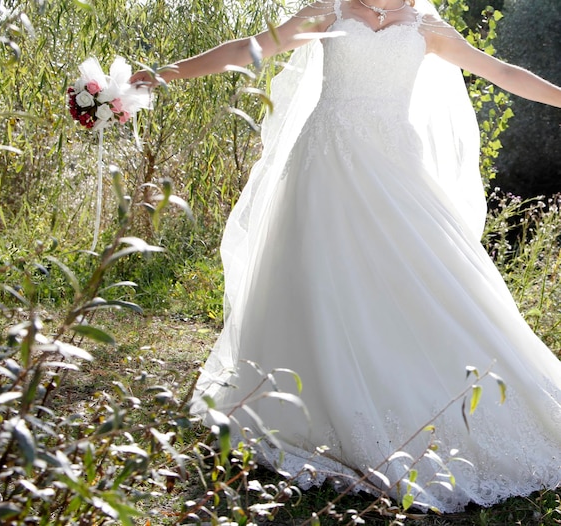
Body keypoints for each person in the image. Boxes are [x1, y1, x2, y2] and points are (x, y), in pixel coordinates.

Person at [130, 0, 561, 513]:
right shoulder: (330, 12)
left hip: (397, 170)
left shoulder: (425, 26)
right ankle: (320, 397)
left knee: (429, 277)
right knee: (322, 279)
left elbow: (502, 72)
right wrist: (162, 73)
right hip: (325, 165)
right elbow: (251, 49)